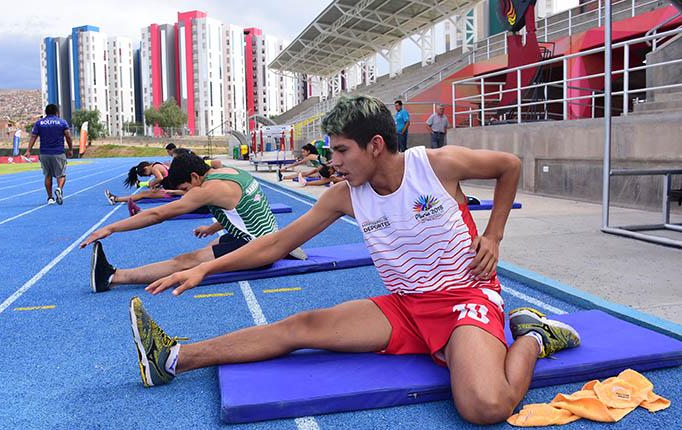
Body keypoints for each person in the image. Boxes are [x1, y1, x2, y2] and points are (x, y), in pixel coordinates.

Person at [125, 95, 581, 425]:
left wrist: (494, 234)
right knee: (301, 327)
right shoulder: (343, 196)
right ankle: (176, 357)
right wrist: (206, 266)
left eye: (341, 150)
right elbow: (275, 244)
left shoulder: (437, 165)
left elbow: (509, 165)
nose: (333, 160)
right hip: (406, 306)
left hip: (466, 297)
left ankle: (535, 335)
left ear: (376, 145)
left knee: (485, 407)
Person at [81, 152, 306, 293]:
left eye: (185, 189)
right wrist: (212, 227)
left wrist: (111, 227)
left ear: (195, 177)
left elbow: (157, 215)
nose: (185, 195)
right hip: (266, 236)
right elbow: (245, 210)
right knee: (209, 247)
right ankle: (284, 250)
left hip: (256, 247)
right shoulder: (229, 172)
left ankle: (112, 276)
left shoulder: (208, 189)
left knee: (186, 261)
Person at [25, 104, 74, 205]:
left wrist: (28, 150)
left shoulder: (39, 123)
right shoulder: (62, 122)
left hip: (44, 153)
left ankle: (50, 198)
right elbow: (68, 136)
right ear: (57, 112)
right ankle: (59, 189)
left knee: (48, 175)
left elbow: (33, 137)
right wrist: (70, 149)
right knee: (61, 175)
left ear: (46, 112)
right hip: (58, 152)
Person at [104, 161, 184, 206]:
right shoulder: (158, 164)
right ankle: (115, 198)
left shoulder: (154, 168)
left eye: (147, 174)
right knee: (145, 193)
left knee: (142, 194)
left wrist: (151, 184)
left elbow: (160, 178)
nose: (149, 175)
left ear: (146, 168)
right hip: (172, 188)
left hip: (171, 192)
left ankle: (115, 199)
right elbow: (165, 177)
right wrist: (157, 185)